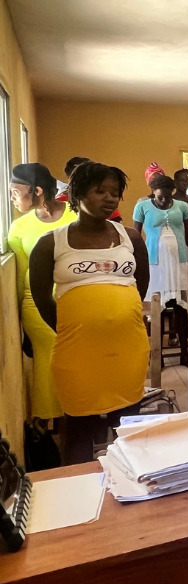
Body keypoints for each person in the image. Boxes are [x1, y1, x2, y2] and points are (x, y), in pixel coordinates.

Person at [30, 162, 150, 464]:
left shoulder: (131, 238)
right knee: (79, 428)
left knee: (129, 427)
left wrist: (124, 315)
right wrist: (72, 327)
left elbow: (141, 284)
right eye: (100, 191)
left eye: (115, 193)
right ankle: (79, 497)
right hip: (77, 352)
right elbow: (41, 296)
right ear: (77, 194)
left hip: (128, 348)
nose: (109, 198)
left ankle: (134, 490)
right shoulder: (50, 244)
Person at [8, 163, 78, 428]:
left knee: (75, 362)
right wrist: (19, 321)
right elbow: (20, 274)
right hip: (35, 306)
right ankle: (53, 427)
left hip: (74, 301)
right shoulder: (18, 228)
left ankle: (78, 417)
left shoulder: (74, 217)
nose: (13, 197)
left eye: (16, 191)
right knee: (47, 367)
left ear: (37, 191)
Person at [133, 173, 188, 365]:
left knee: (181, 307)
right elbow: (135, 236)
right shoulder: (142, 207)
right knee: (156, 308)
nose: (165, 200)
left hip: (179, 261)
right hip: (155, 263)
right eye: (160, 197)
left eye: (168, 196)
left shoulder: (182, 206)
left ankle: (185, 354)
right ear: (153, 192)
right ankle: (157, 358)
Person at [58, 156, 122, 222]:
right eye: (99, 192)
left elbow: (116, 222)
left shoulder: (106, 203)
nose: (109, 198)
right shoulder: (60, 201)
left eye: (114, 194)